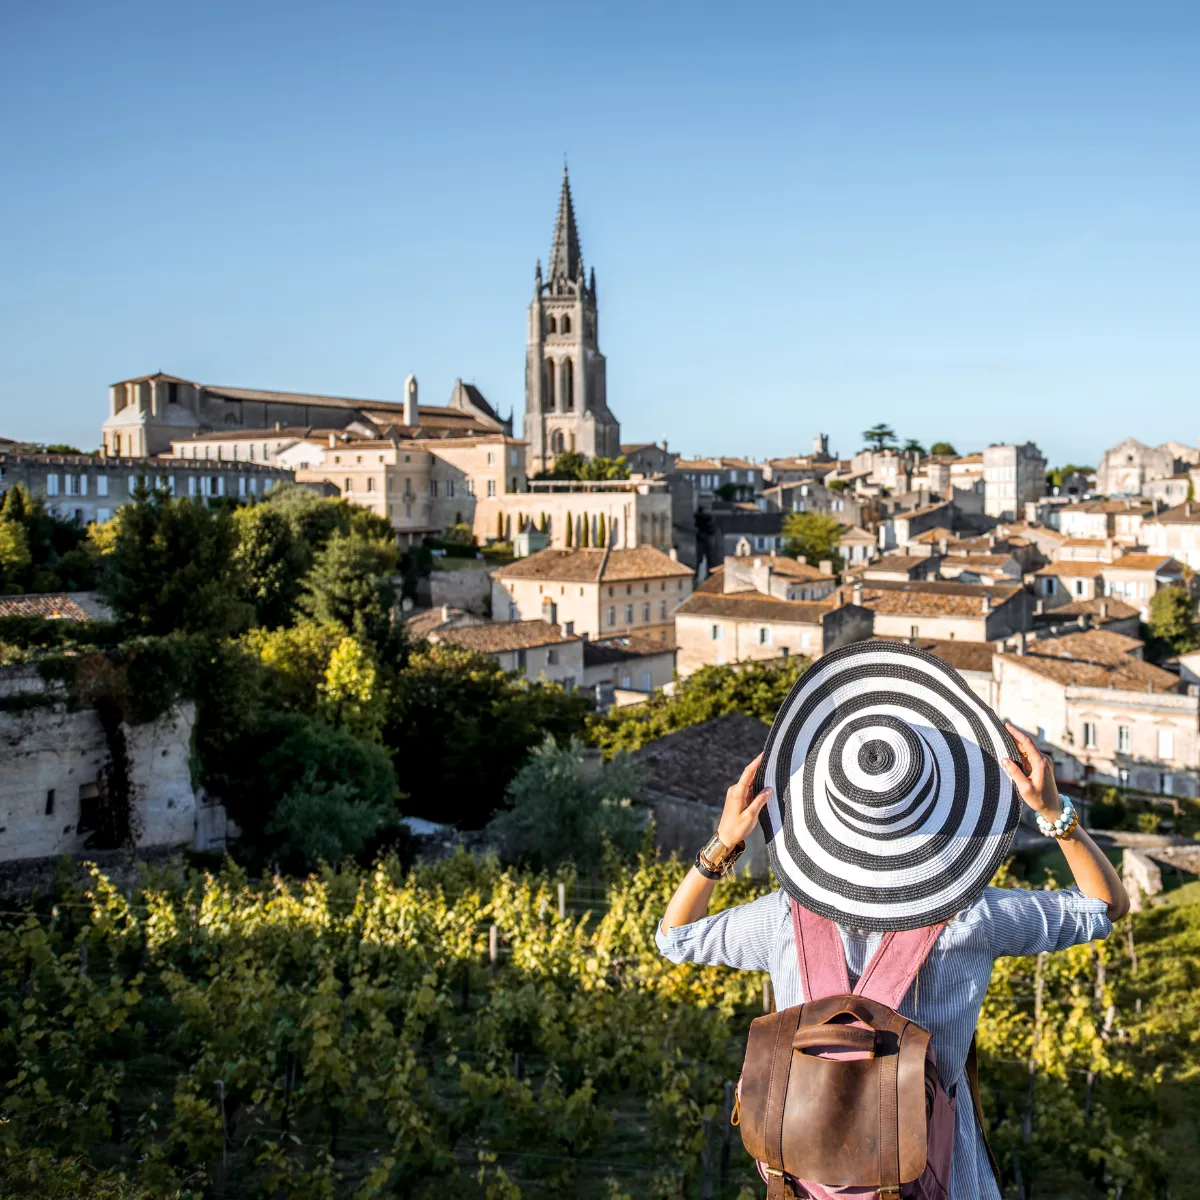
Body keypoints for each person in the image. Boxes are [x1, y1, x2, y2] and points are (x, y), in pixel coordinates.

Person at [657, 722, 1128, 1200]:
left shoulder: (784, 918)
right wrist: (1054, 814)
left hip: (806, 1184)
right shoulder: (974, 919)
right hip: (945, 1183)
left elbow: (675, 938)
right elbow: (1105, 906)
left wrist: (724, 843)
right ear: (941, 809)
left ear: (829, 814)